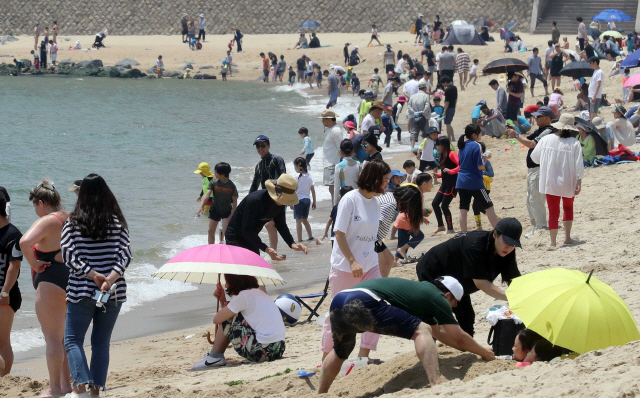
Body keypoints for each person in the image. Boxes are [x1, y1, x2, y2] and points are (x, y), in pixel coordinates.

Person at [318, 275, 495, 394]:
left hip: (339, 300)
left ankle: (321, 394)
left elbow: (440, 333)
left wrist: (470, 350)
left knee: (341, 350)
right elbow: (458, 336)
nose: (453, 308)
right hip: (364, 300)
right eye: (453, 303)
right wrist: (484, 352)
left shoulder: (421, 294)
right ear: (447, 295)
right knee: (421, 330)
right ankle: (436, 384)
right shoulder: (437, 297)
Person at [59, 174, 131, 398]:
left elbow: (68, 255)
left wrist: (92, 274)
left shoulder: (72, 223)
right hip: (113, 292)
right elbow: (126, 255)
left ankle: (80, 388)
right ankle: (95, 393)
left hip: (81, 290)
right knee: (101, 343)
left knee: (72, 340)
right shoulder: (117, 223)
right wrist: (110, 278)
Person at [320, 159, 391, 362]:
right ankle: (326, 359)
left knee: (378, 307)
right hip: (345, 267)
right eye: (385, 180)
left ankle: (363, 356)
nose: (387, 184)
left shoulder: (376, 202)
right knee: (337, 313)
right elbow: (339, 233)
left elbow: (373, 236)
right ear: (374, 179)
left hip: (370, 266)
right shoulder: (350, 199)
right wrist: (352, 261)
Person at [416, 217, 522, 335]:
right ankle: (429, 343)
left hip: (458, 275)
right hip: (433, 268)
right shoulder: (475, 244)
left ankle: (466, 346)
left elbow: (515, 279)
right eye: (506, 242)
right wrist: (511, 298)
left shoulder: (507, 251)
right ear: (495, 233)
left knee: (466, 315)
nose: (509, 247)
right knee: (436, 313)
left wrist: (526, 295)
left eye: (513, 244)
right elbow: (481, 283)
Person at [19, 180, 72, 397]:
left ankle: (55, 388)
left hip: (50, 281)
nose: (35, 211)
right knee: (63, 339)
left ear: (42, 202)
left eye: (35, 206)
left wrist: (33, 264)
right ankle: (67, 385)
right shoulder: (70, 217)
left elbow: (24, 242)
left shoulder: (47, 221)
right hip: (71, 278)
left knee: (52, 338)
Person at [193, 274, 286, 370]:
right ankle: (216, 355)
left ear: (234, 281)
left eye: (227, 282)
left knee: (231, 313)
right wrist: (222, 300)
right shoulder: (260, 293)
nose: (225, 286)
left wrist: (224, 302)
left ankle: (215, 356)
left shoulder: (244, 296)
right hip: (279, 349)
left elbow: (217, 319)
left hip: (262, 352)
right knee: (231, 311)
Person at [530, 114, 584, 249]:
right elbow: (579, 165)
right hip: (568, 181)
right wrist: (579, 182)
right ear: (571, 129)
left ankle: (553, 243)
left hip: (550, 181)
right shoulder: (574, 143)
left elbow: (534, 158)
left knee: (553, 211)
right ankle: (567, 238)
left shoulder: (546, 139)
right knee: (568, 208)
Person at [226, 174, 308, 261]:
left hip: (252, 237)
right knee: (240, 267)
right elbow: (246, 230)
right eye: (285, 200)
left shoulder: (280, 205)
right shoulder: (255, 200)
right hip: (235, 236)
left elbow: (281, 224)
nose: (286, 203)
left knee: (255, 265)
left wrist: (292, 244)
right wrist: (266, 249)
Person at [456, 125, 499, 232]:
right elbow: (480, 166)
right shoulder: (476, 145)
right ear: (474, 134)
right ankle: (498, 230)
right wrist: (486, 157)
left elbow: (460, 163)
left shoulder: (462, 145)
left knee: (463, 208)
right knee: (489, 206)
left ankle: (463, 233)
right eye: (479, 133)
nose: (481, 134)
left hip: (461, 181)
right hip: (474, 181)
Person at [0, 195, 22, 377]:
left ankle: (5, 379)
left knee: (3, 341)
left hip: (6, 295)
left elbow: (14, 266)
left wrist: (5, 291)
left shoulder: (13, 234)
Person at [197, 163, 239, 245]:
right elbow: (208, 194)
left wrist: (232, 213)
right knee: (210, 230)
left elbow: (234, 200)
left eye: (216, 172)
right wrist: (201, 206)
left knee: (225, 231)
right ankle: (210, 247)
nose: (215, 173)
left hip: (227, 210)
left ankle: (227, 246)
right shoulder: (214, 182)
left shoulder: (231, 185)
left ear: (222, 173)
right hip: (215, 209)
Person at [395, 177, 432, 262]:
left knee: (403, 242)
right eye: (431, 182)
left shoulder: (416, 192)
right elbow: (413, 210)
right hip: (407, 220)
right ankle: (402, 250)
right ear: (424, 184)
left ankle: (394, 261)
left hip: (401, 219)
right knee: (419, 236)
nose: (432, 185)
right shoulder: (418, 194)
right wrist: (422, 218)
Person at [432, 137, 459, 234]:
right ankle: (441, 226)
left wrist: (451, 171)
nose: (437, 147)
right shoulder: (443, 155)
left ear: (443, 146)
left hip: (452, 185)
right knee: (435, 203)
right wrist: (438, 175)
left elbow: (461, 165)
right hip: (444, 184)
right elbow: (445, 171)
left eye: (438, 145)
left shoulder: (452, 154)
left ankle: (450, 229)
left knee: (444, 206)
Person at [320, 109, 345, 206]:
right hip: (329, 163)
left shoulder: (336, 131)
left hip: (333, 163)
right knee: (332, 189)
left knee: (333, 188)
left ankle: (336, 208)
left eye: (323, 119)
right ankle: (335, 208)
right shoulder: (332, 130)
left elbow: (341, 148)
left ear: (328, 119)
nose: (322, 121)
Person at [474, 143, 494, 230]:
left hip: (485, 188)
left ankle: (495, 218)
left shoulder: (487, 162)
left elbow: (491, 174)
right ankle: (479, 226)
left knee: (481, 206)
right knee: (476, 206)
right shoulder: (476, 161)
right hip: (477, 187)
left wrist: (482, 173)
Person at [441, 76, 457, 141]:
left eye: (443, 83)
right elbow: (455, 99)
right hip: (453, 107)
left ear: (445, 82)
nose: (443, 85)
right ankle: (453, 138)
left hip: (449, 108)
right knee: (449, 123)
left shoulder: (448, 90)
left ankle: (449, 138)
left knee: (447, 124)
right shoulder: (454, 88)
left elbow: (447, 101)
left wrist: (444, 111)